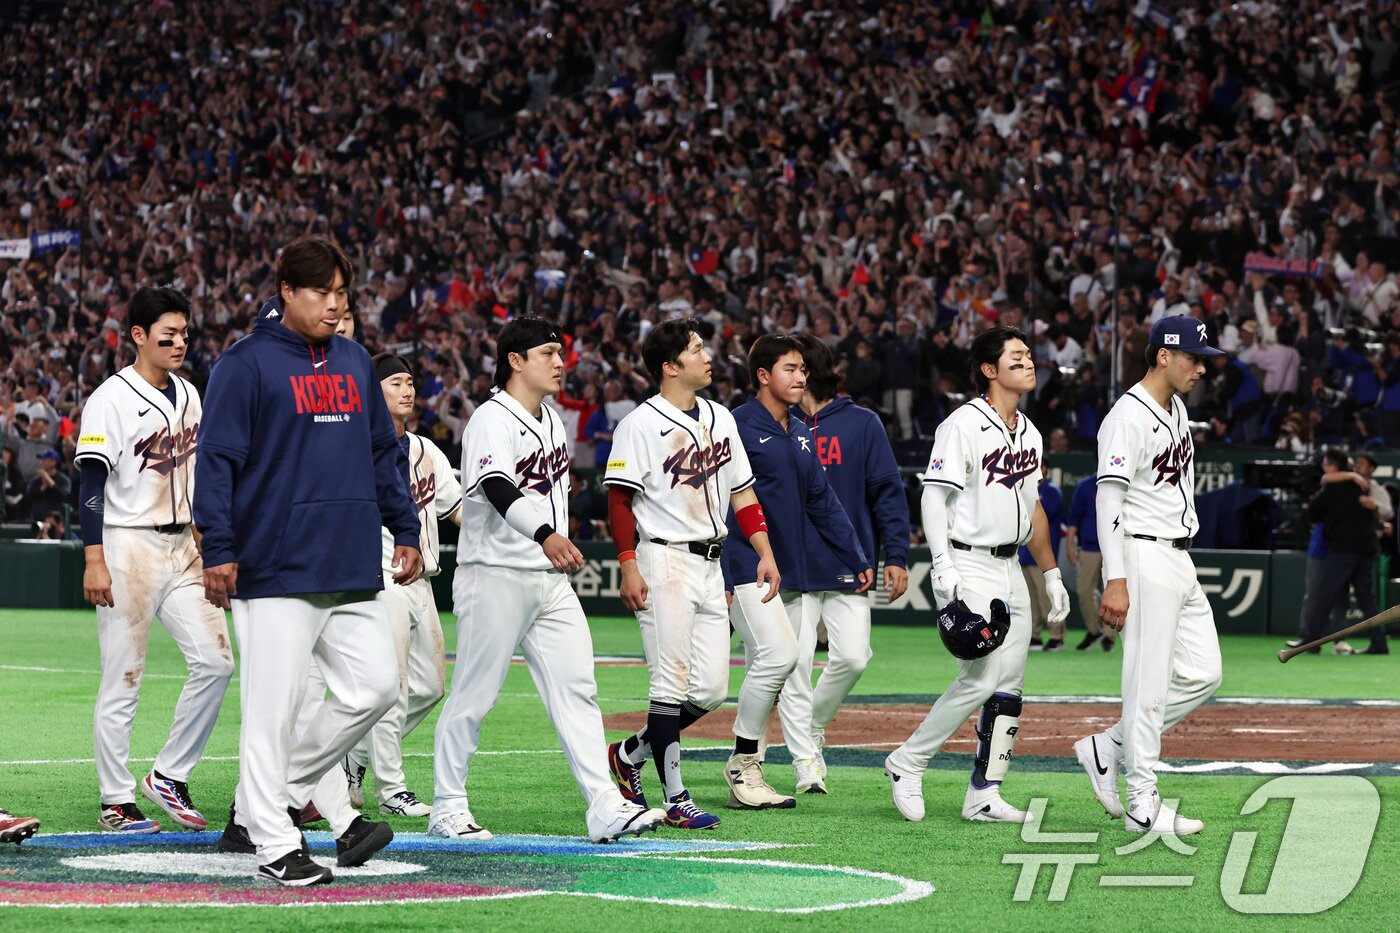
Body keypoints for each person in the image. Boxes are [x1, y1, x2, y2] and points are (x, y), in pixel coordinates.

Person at [195, 235, 422, 886]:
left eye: (341, 293)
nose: (333, 304)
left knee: (376, 686)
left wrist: (404, 525)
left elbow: (384, 455)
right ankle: (272, 838)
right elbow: (217, 462)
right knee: (272, 706)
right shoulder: (245, 364)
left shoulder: (353, 361)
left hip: (349, 557)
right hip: (273, 563)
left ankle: (277, 794)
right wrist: (220, 547)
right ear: (286, 292)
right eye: (320, 292)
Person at [430, 317, 667, 844]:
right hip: (495, 573)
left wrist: (546, 540)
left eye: (561, 353)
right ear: (516, 360)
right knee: (475, 693)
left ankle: (605, 804)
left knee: (578, 687)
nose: (560, 362)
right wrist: (544, 532)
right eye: (548, 353)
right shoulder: (492, 416)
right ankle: (447, 805)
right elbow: (493, 483)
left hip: (547, 578)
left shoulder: (552, 418)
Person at [884, 326, 1069, 824]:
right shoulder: (963, 424)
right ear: (990, 370)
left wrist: (1050, 572)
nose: (1029, 363)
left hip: (1011, 565)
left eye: (1029, 355)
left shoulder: (1028, 431)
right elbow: (933, 495)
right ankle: (908, 761)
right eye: (1017, 357)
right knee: (980, 676)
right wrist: (942, 564)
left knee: (1011, 683)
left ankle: (985, 793)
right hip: (969, 560)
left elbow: (1034, 511)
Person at [603, 318, 781, 830]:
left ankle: (629, 754)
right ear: (669, 365)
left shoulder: (720, 417)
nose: (708, 356)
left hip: (711, 561)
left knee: (708, 690)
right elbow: (620, 498)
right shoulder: (639, 424)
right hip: (663, 558)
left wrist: (763, 550)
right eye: (697, 348)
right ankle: (677, 797)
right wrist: (628, 564)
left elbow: (742, 493)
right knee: (669, 685)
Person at [75, 285, 234, 834]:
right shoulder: (110, 399)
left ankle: (169, 774)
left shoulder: (190, 394)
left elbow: (198, 474)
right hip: (128, 545)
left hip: (184, 545)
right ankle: (115, 800)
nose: (179, 342)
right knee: (124, 675)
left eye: (185, 334)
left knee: (216, 662)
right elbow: (91, 486)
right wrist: (94, 558)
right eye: (168, 334)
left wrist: (208, 536)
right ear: (137, 336)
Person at [1074, 315, 1225, 837]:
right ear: (1163, 355)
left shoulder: (1177, 407)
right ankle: (1142, 801)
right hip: (1142, 555)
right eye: (1193, 357)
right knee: (1147, 685)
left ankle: (1109, 746)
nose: (1202, 368)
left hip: (1178, 556)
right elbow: (1108, 498)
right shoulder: (1127, 416)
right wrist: (1115, 578)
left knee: (1205, 672)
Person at [724, 335, 873, 802]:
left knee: (770, 664)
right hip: (745, 564)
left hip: (789, 570)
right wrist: (727, 575)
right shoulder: (736, 427)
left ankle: (748, 769)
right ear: (763, 376)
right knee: (758, 667)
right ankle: (743, 765)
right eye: (790, 369)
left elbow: (822, 501)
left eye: (803, 369)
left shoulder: (802, 431)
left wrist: (855, 555)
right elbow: (723, 501)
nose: (801, 377)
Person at [338, 354, 460, 818]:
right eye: (395, 382)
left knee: (430, 687)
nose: (407, 391)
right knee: (395, 686)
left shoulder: (428, 451)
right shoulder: (357, 449)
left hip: (422, 580)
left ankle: (356, 753)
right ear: (373, 391)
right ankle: (393, 788)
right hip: (381, 578)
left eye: (411, 383)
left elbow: (456, 509)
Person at [787, 334, 911, 793]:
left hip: (849, 561)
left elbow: (887, 493)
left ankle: (813, 723)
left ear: (812, 372)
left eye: (797, 368)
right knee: (795, 663)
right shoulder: (778, 424)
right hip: (792, 565)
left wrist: (895, 555)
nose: (792, 376)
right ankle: (805, 762)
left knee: (855, 657)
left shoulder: (862, 423)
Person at [1294, 450, 1384, 654]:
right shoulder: (1360, 485)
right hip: (1367, 547)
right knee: (1366, 598)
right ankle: (1379, 643)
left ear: (1332, 465)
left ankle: (1312, 643)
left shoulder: (1333, 486)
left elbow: (1313, 513)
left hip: (1343, 548)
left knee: (1324, 596)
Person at [1064, 474, 1114, 651]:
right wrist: (1070, 544)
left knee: (1113, 591)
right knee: (1084, 591)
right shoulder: (1085, 486)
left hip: (1115, 547)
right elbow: (1074, 517)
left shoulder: (1120, 483)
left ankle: (1109, 635)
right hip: (1090, 547)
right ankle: (1094, 631)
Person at [1022, 461, 1066, 651]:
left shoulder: (1051, 490)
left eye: (1041, 466)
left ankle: (1057, 636)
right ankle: (1035, 634)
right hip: (1023, 552)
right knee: (1030, 599)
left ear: (1046, 469)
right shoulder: (1021, 487)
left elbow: (1038, 516)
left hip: (1042, 555)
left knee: (1047, 596)